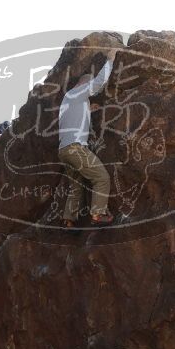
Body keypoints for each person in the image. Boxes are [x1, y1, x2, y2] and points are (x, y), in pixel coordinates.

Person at [58, 48, 118, 227]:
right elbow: (98, 83)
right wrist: (110, 60)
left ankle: (69, 220)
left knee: (76, 187)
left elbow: (75, 119)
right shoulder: (78, 92)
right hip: (75, 148)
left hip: (63, 150)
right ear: (82, 85)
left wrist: (89, 110)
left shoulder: (68, 100)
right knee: (101, 177)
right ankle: (98, 214)